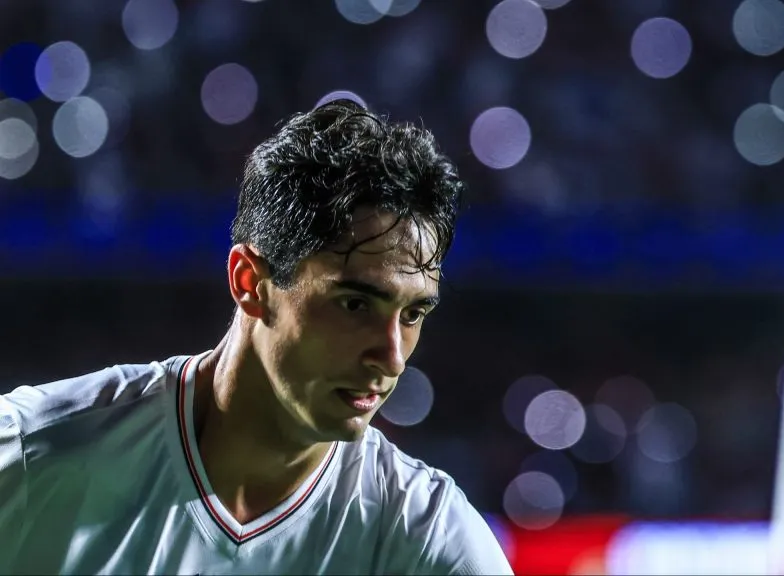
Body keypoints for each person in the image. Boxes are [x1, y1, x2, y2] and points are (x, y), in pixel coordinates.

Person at [0, 99, 514, 575]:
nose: (392, 356)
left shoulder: (429, 541)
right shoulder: (30, 459)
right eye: (355, 304)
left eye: (412, 314)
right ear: (250, 282)